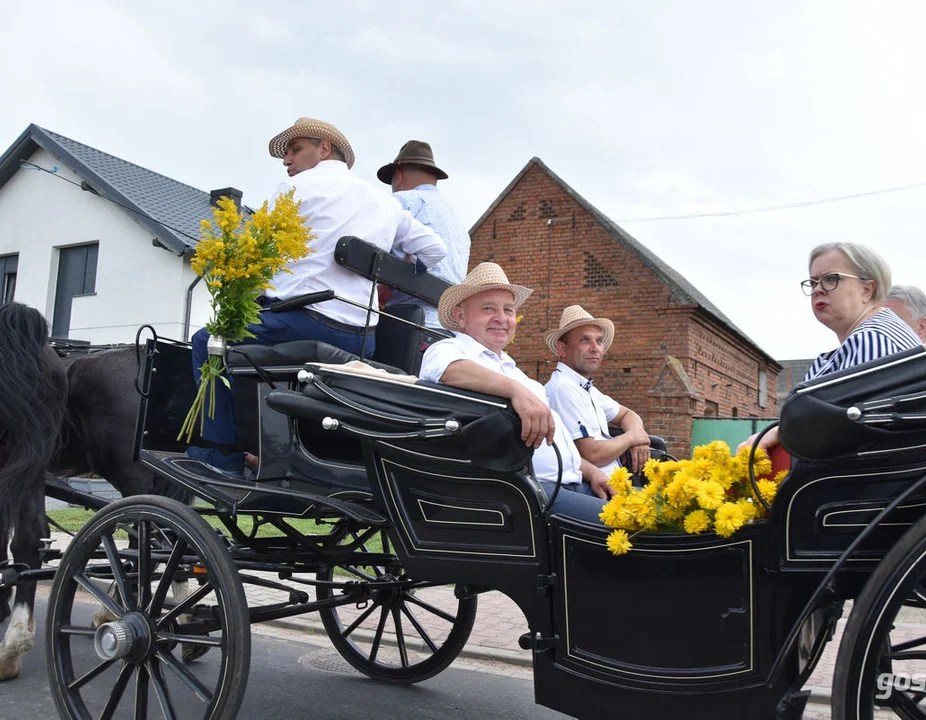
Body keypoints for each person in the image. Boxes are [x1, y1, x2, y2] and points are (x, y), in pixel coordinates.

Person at [189, 118, 447, 472]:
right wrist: (394, 265)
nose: (286, 161)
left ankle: (220, 454)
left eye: (295, 149)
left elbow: (259, 257)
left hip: (302, 322)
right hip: (363, 340)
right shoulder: (386, 204)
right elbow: (434, 250)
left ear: (324, 149)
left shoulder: (297, 188)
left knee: (207, 340)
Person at [418, 263, 613, 522]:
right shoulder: (448, 350)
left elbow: (556, 443)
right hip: (526, 492)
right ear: (460, 316)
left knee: (654, 512)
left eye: (508, 310)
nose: (501, 318)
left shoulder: (519, 375)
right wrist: (515, 391)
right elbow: (446, 369)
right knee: (632, 527)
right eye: (488, 308)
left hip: (573, 484)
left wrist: (593, 473)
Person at [743, 242, 921, 453]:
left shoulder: (873, 339)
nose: (818, 289)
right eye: (813, 282)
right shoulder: (871, 336)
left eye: (831, 279)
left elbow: (851, 433)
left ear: (867, 289)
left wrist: (778, 433)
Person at [543, 305, 653, 476]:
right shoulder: (564, 389)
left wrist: (637, 439)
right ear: (562, 349)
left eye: (599, 341)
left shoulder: (587, 389)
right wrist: (631, 439)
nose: (595, 348)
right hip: (591, 488)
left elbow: (628, 415)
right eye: (585, 340)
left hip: (612, 484)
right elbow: (592, 454)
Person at [377, 141, 471, 334]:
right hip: (449, 328)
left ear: (398, 174)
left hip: (407, 323)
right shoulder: (458, 223)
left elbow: (381, 261)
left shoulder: (402, 201)